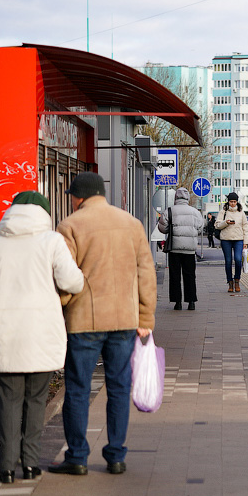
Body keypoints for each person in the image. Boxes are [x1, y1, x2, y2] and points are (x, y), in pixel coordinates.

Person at [0, 191, 85, 484]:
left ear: (12, 212)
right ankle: (31, 464)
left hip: (4, 335)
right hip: (41, 335)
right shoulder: (51, 241)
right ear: (44, 213)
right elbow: (72, 281)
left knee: (9, 402)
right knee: (36, 401)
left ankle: (7, 468)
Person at [50, 172, 156, 476]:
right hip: (124, 320)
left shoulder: (69, 226)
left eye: (72, 196)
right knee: (119, 388)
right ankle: (116, 456)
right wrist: (145, 318)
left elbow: (64, 276)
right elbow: (146, 273)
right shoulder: (132, 224)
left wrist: (63, 305)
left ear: (79, 197)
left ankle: (77, 457)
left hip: (84, 321)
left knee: (78, 389)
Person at [158, 187, 204, 311]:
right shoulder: (195, 212)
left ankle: (177, 302)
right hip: (190, 248)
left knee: (175, 275)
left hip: (174, 248)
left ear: (176, 197)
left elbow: (162, 228)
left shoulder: (169, 211)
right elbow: (200, 228)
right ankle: (191, 302)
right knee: (190, 275)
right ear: (187, 198)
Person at [215, 192, 248, 292]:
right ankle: (230, 282)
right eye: (231, 201)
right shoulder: (223, 211)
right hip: (226, 239)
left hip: (238, 239)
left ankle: (237, 280)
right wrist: (226, 222)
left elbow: (245, 227)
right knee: (228, 261)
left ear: (237, 202)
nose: (233, 203)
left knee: (238, 260)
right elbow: (217, 225)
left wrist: (246, 242)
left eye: (234, 202)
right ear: (228, 202)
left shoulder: (241, 212)